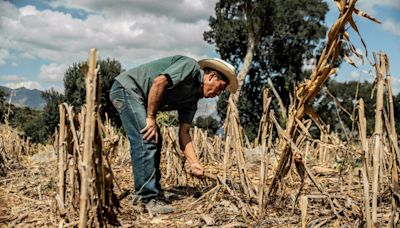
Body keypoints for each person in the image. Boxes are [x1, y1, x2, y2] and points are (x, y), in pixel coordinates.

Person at [109, 55, 238, 214]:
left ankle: (153, 191)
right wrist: (150, 117)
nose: (219, 93)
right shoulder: (190, 67)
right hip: (127, 88)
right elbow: (159, 82)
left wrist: (194, 163)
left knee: (155, 138)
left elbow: (184, 133)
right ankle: (146, 198)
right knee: (147, 138)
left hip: (138, 97)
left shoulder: (191, 101)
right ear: (211, 76)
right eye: (221, 87)